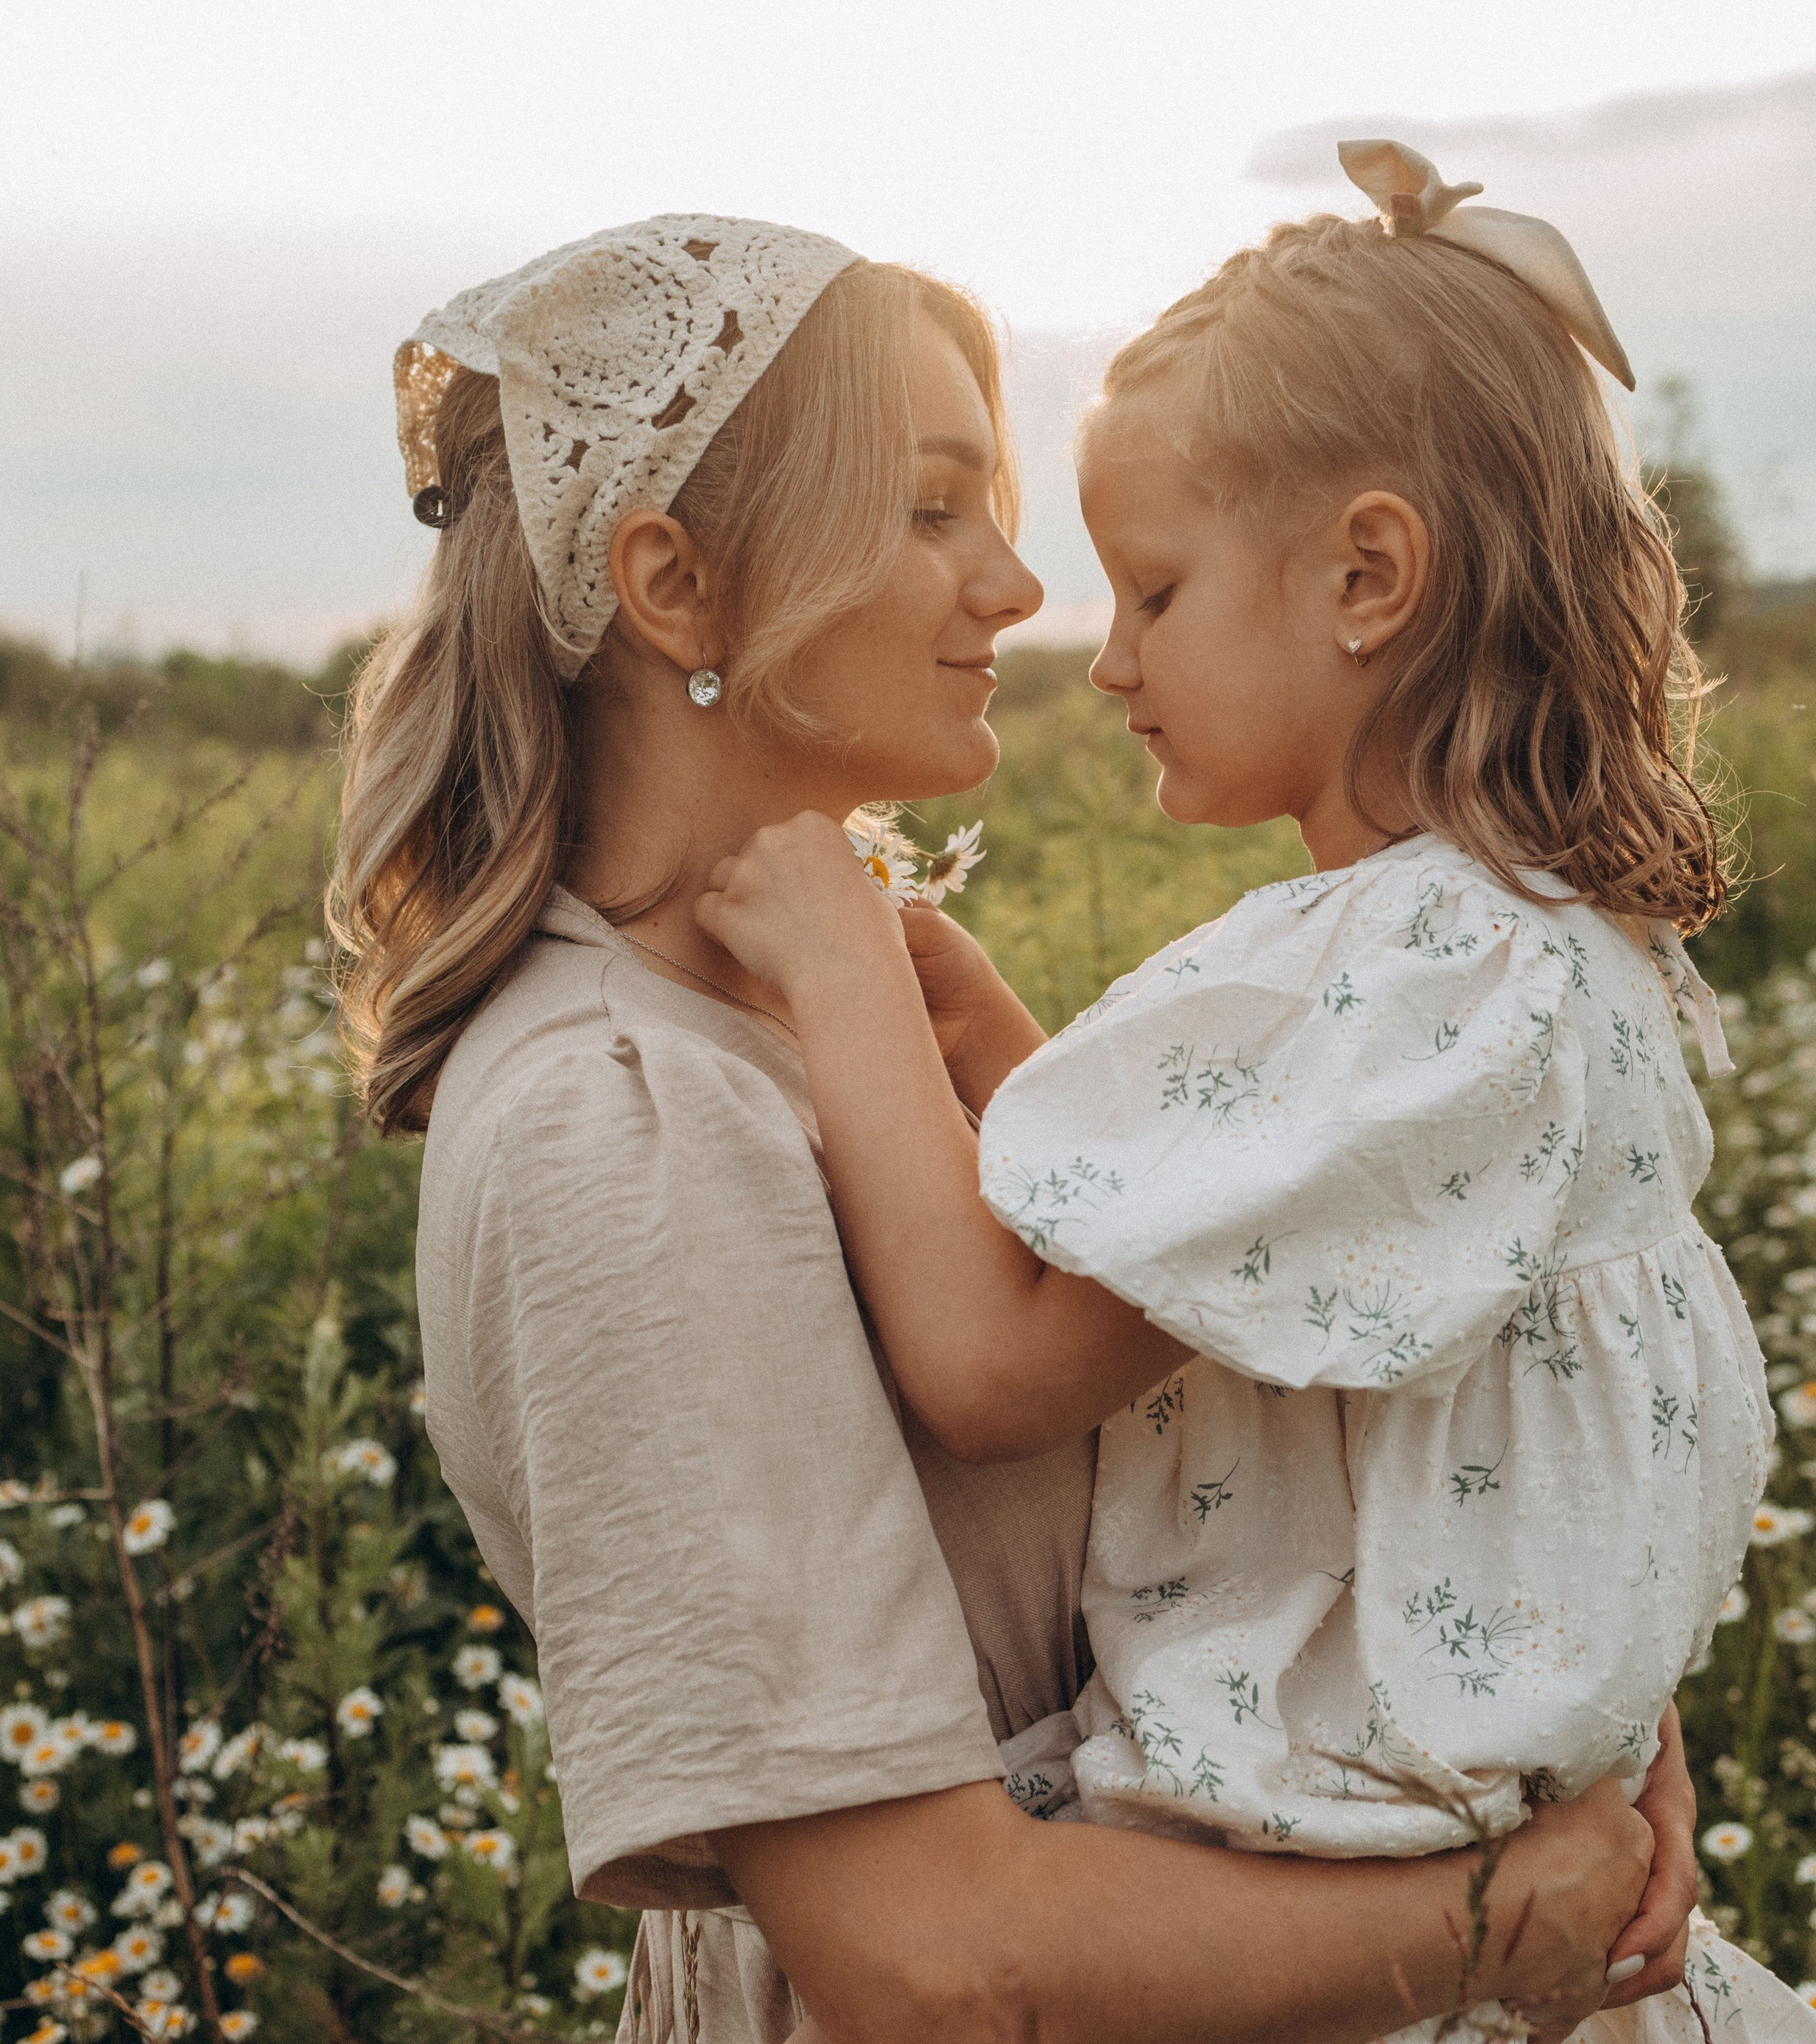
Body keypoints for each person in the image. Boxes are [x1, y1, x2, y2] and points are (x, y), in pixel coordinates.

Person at [333, 210, 1692, 2044]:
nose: (1018, 589)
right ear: (677, 589)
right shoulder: (617, 1118)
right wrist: (1502, 1906)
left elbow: (1326, 1365)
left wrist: (1561, 1696)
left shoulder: (827, 1009)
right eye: (928, 506)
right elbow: (935, 1963)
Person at [694, 153, 1789, 2040]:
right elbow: (1278, 1284)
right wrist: (980, 1040)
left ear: (1367, 577)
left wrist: (835, 967)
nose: (1107, 658)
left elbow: (991, 1362)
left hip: (1321, 1901)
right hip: (1509, 1858)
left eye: (1158, 589)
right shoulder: (1549, 962)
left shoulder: (1384, 970)